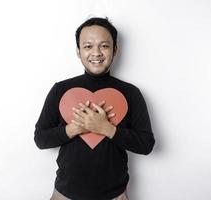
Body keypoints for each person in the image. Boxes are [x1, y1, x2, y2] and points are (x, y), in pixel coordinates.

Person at [34, 17, 155, 200]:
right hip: (65, 194)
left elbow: (146, 144)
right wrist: (74, 128)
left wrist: (106, 128)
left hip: (115, 195)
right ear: (78, 51)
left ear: (115, 49)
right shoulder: (60, 89)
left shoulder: (131, 93)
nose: (96, 53)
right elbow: (40, 139)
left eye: (104, 46)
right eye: (88, 46)